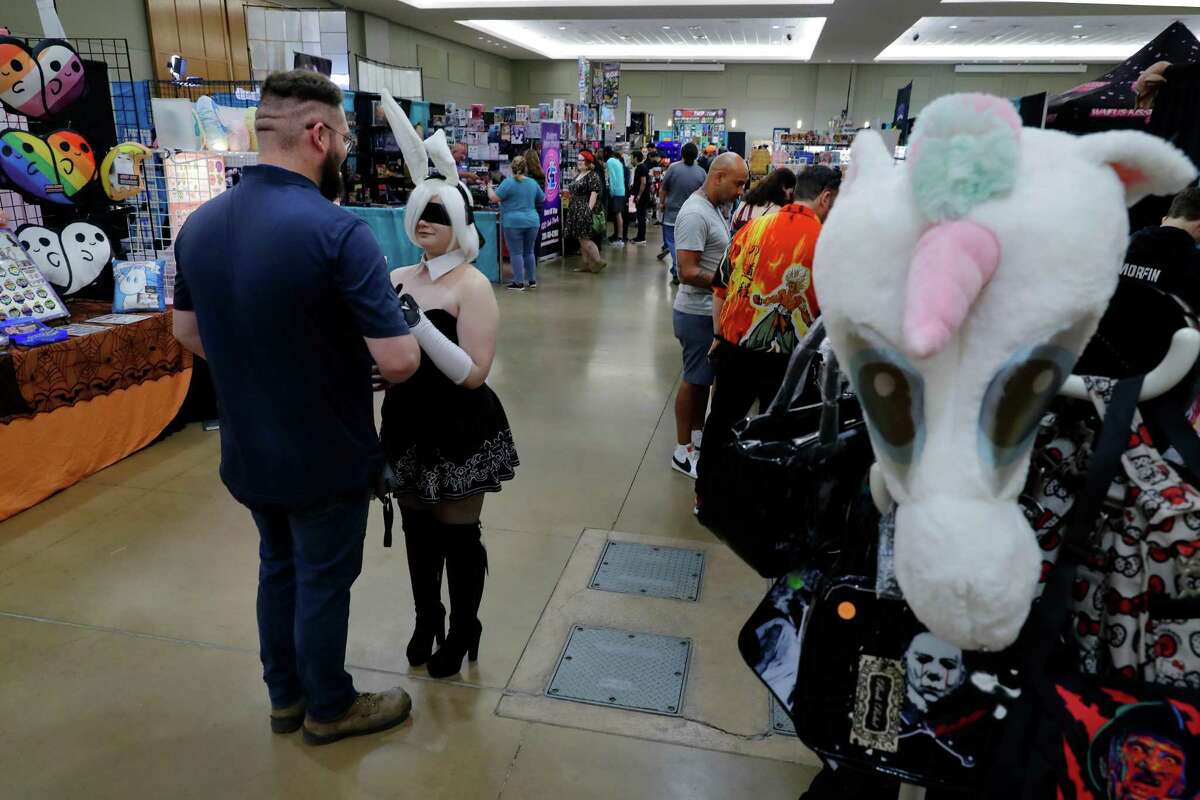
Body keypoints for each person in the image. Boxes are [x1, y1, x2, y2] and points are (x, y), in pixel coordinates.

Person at [171, 70, 420, 746]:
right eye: (341, 138)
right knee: (323, 576)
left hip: (249, 446)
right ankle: (330, 706)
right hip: (326, 450)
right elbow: (397, 361)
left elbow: (188, 336)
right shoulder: (340, 234)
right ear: (319, 135)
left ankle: (285, 697)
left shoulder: (199, 226)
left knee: (276, 564)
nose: (343, 151)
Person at [378, 96, 519, 681]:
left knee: (459, 535)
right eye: (421, 209)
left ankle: (464, 628)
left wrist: (415, 325)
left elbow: (474, 371)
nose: (428, 219)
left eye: (440, 210)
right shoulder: (394, 276)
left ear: (460, 220)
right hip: (407, 419)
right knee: (415, 531)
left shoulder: (474, 286)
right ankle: (425, 618)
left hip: (461, 424)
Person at [698, 165, 839, 480]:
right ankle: (763, 496)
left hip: (735, 348)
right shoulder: (829, 242)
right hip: (789, 360)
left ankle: (706, 491)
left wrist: (720, 335)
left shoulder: (754, 228)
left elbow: (721, 286)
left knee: (721, 421)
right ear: (826, 198)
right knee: (776, 428)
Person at [671, 152, 749, 479]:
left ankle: (699, 436)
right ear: (718, 177)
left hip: (710, 312)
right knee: (693, 379)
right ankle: (681, 450)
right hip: (696, 312)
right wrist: (730, 282)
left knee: (704, 380)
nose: (741, 191)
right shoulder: (694, 214)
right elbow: (687, 271)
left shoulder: (713, 208)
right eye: (738, 183)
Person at [488, 155, 544, 291]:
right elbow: (542, 198)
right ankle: (532, 280)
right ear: (525, 168)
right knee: (529, 252)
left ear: (511, 168)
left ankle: (518, 283)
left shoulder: (508, 183)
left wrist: (489, 187)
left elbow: (494, 198)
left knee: (516, 253)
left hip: (513, 222)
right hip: (532, 221)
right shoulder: (532, 182)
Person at [660, 143, 707, 285]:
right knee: (687, 244)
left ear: (681, 153)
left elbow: (664, 188)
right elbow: (705, 193)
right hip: (693, 215)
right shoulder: (701, 172)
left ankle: (676, 270)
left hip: (672, 214)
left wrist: (661, 203)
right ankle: (686, 268)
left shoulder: (673, 168)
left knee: (672, 243)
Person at [565, 150, 606, 273]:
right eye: (578, 160)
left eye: (581, 160)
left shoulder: (592, 176)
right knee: (580, 238)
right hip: (575, 209)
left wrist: (588, 211)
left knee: (585, 239)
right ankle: (587, 264)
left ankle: (598, 261)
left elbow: (594, 194)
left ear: (588, 162)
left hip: (583, 210)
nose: (579, 162)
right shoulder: (578, 175)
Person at [730, 167, 797, 234]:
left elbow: (732, 228)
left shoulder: (744, 203)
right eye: (791, 191)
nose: (790, 197)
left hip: (737, 242)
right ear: (783, 187)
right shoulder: (777, 211)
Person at [604, 146, 627, 246]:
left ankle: (619, 238)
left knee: (618, 214)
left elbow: (611, 177)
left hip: (616, 191)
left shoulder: (609, 162)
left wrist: (611, 191)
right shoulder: (618, 161)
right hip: (621, 190)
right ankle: (618, 236)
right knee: (617, 214)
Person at [631, 150, 655, 245]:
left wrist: (639, 195)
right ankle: (640, 236)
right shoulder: (643, 167)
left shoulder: (640, 168)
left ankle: (641, 238)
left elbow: (643, 182)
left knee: (641, 217)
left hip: (642, 197)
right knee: (641, 216)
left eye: (632, 158)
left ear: (636, 158)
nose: (631, 160)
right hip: (644, 196)